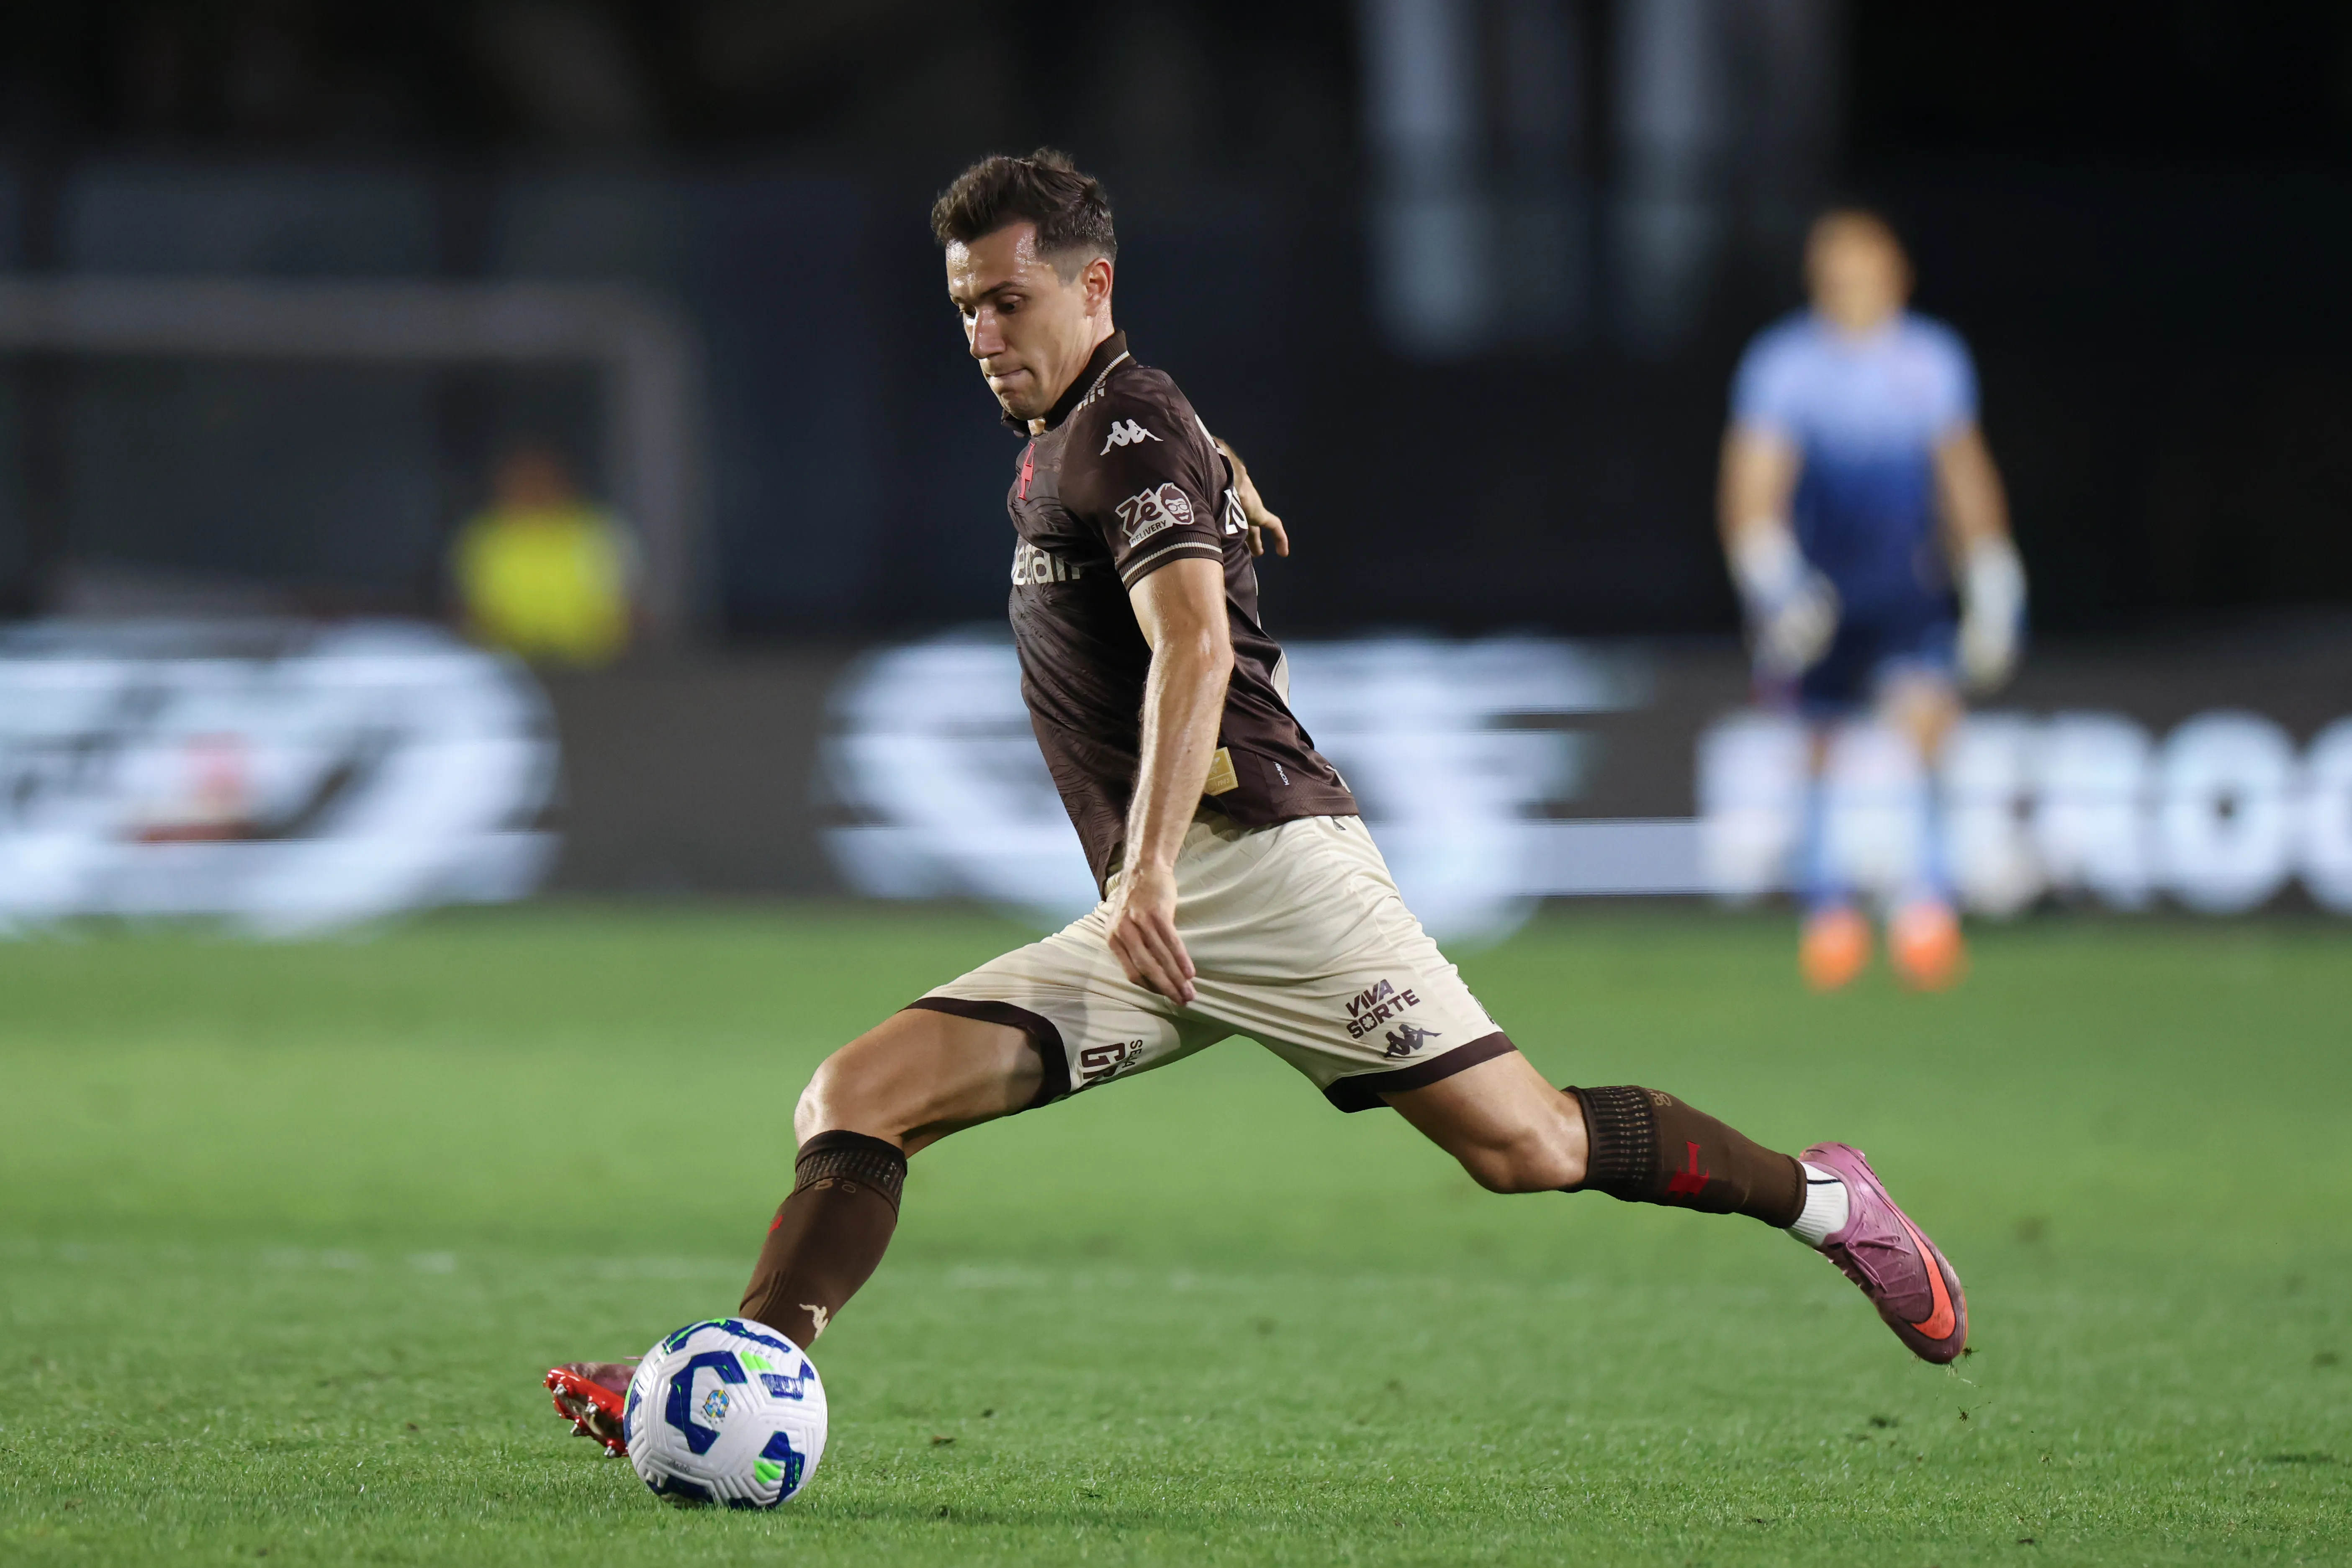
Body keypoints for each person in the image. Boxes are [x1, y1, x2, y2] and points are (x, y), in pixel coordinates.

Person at [547, 152, 1968, 1456]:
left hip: (1263, 874)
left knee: (1525, 1146)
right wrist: (1216, 489)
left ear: (1090, 284)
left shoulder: (1123, 427)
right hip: (1157, 908)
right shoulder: (1085, 435)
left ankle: (1827, 1199)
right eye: (964, 306)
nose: (981, 330)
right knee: (857, 1093)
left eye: (1007, 298)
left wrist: (1152, 866)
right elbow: (1161, 487)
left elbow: (1193, 644)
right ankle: (735, 1372)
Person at [1718, 209, 2023, 992]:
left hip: (1905, 585)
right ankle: (1828, 913)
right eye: (1835, 272)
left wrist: (1990, 575)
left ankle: (1925, 909)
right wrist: (1774, 583)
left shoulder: (1929, 360)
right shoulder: (1784, 365)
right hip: (1816, 591)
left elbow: (1961, 475)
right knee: (1817, 743)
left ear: (1896, 275)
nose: (1849, 287)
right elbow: (1750, 489)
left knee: (1925, 727)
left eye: (1864, 269)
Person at [450, 443, 639, 667]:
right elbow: (467, 611)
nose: (533, 487)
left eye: (542, 479)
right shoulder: (483, 537)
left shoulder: (597, 531)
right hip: (508, 670)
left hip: (593, 670)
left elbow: (629, 608)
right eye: (522, 480)